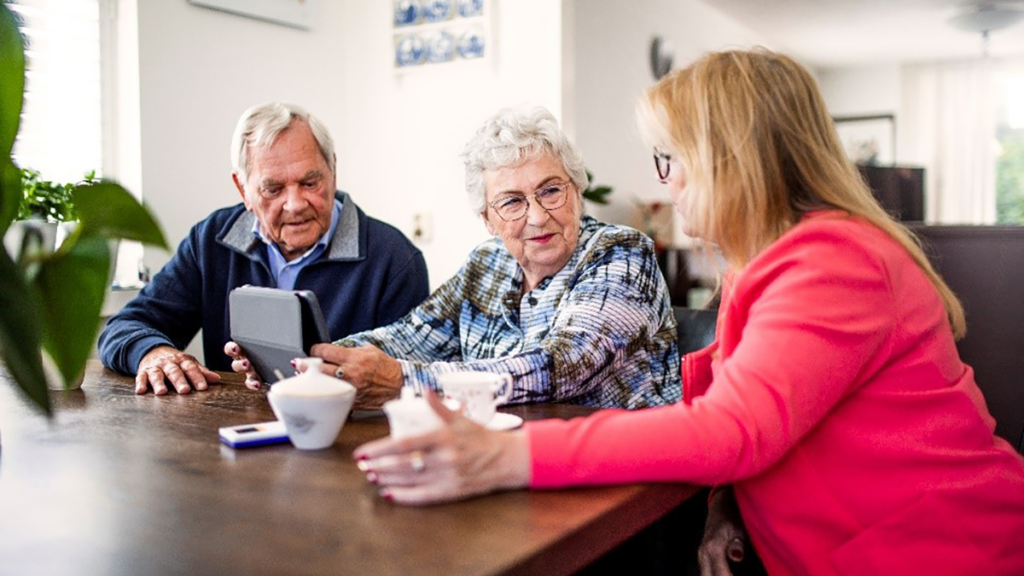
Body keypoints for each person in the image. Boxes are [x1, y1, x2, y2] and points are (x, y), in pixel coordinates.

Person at [350, 49, 1024, 576]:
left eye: (671, 158)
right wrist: (729, 504)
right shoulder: (764, 264)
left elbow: (730, 428)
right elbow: (771, 418)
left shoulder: (832, 263)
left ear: (733, 160)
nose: (663, 181)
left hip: (938, 554)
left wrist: (503, 455)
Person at [231, 106, 680, 410]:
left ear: (577, 191)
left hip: (621, 494)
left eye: (551, 190)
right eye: (511, 202)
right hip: (510, 469)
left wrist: (403, 382)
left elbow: (561, 369)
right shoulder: (487, 265)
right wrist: (313, 361)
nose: (538, 216)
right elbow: (408, 337)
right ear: (487, 218)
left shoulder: (621, 254)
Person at [98, 102, 429, 396]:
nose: (295, 204)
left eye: (310, 182)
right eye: (273, 189)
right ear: (242, 188)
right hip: (229, 440)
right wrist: (154, 352)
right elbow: (124, 327)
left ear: (333, 171)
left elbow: (411, 380)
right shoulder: (212, 239)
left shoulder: (394, 259)